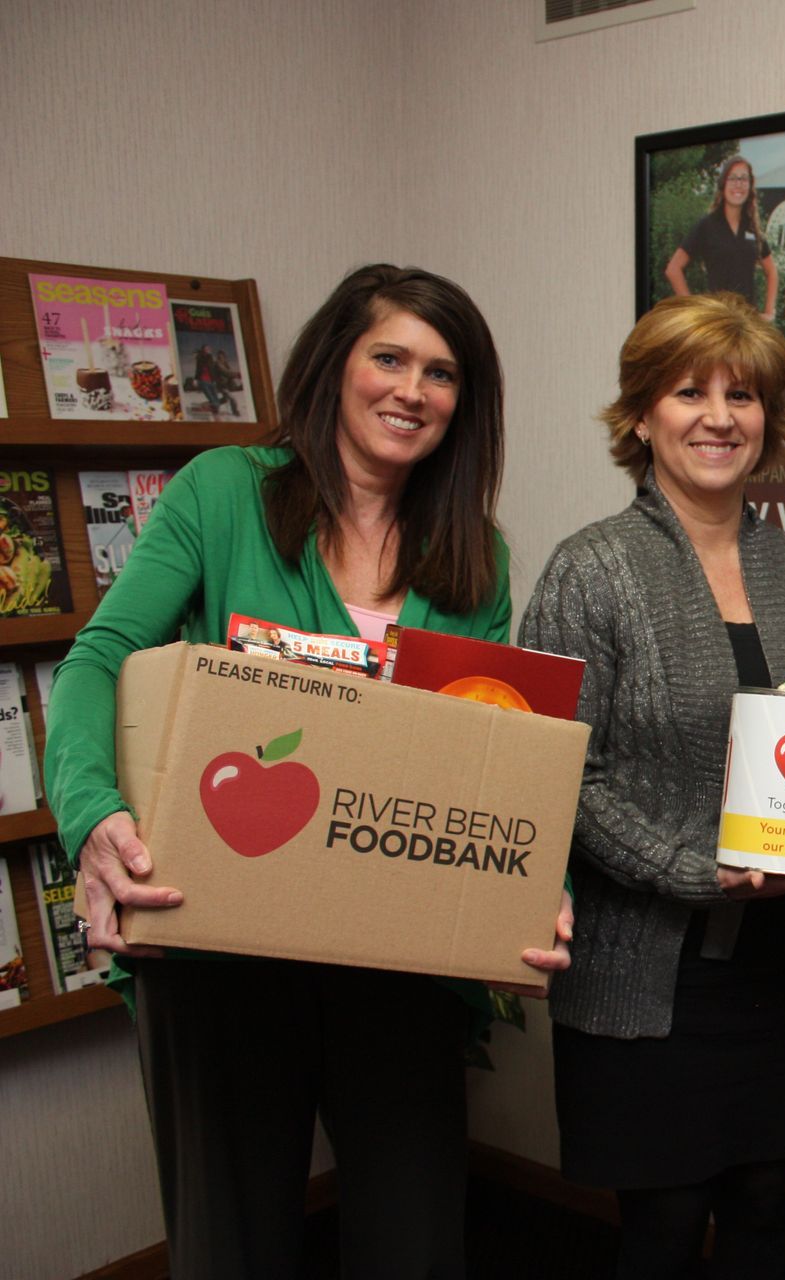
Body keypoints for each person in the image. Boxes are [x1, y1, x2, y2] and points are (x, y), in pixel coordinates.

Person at [43, 263, 571, 1278]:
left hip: (396, 966)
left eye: (444, 372)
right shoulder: (224, 492)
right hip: (214, 949)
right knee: (230, 1249)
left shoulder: (477, 558)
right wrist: (93, 817)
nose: (413, 389)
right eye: (390, 356)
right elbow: (97, 660)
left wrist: (530, 888)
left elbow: (484, 758)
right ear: (336, 362)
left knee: (416, 1247)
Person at [520, 290, 785, 1279]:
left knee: (769, 1207)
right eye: (690, 390)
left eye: (744, 394)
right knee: (666, 1225)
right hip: (650, 974)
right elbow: (557, 765)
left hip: (782, 965)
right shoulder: (588, 571)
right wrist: (695, 868)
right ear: (642, 414)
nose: (720, 415)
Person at [664, 155, 780, 321]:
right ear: (723, 184)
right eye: (733, 178)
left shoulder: (752, 228)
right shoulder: (707, 225)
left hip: (748, 324)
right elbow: (673, 269)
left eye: (744, 179)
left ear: (750, 186)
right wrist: (692, 311)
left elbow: (772, 271)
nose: (738, 184)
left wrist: (769, 312)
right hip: (718, 324)